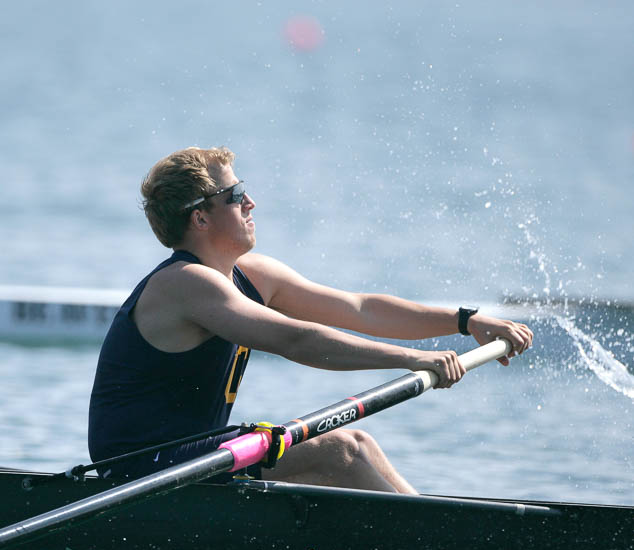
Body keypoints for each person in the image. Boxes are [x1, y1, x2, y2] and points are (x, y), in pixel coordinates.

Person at [88, 146, 533, 493]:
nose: (252, 203)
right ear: (200, 217)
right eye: (237, 195)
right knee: (341, 450)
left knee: (360, 446)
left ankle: (440, 533)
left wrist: (465, 320)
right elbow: (296, 341)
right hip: (140, 470)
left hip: (196, 457)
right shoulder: (184, 284)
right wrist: (413, 359)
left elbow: (360, 309)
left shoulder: (256, 276)